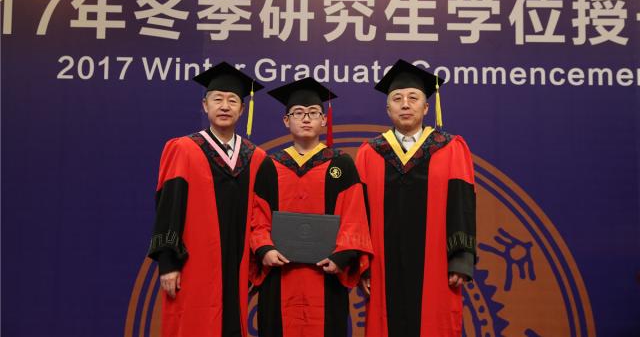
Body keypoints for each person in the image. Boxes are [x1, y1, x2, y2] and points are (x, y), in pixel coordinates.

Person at [355, 59, 476, 337]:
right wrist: (363, 265)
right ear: (388, 109)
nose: (405, 104)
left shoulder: (450, 148)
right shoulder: (370, 153)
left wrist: (460, 259)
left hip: (437, 263)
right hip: (383, 264)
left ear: (426, 107)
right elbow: (359, 214)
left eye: (413, 97)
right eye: (397, 98)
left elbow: (462, 204)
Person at [147, 62, 267, 337]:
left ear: (242, 109)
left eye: (232, 100)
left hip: (237, 267)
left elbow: (261, 214)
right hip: (193, 264)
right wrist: (168, 263)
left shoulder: (255, 157)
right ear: (205, 105)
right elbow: (168, 208)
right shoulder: (185, 149)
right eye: (217, 99)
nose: (225, 106)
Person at [249, 77, 373, 337]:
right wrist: (265, 249)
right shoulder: (270, 166)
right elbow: (257, 218)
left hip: (327, 276)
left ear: (324, 120)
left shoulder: (341, 165)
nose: (306, 119)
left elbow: (354, 217)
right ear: (286, 121)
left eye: (313, 113)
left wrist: (340, 258)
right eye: (298, 113)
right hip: (279, 275)